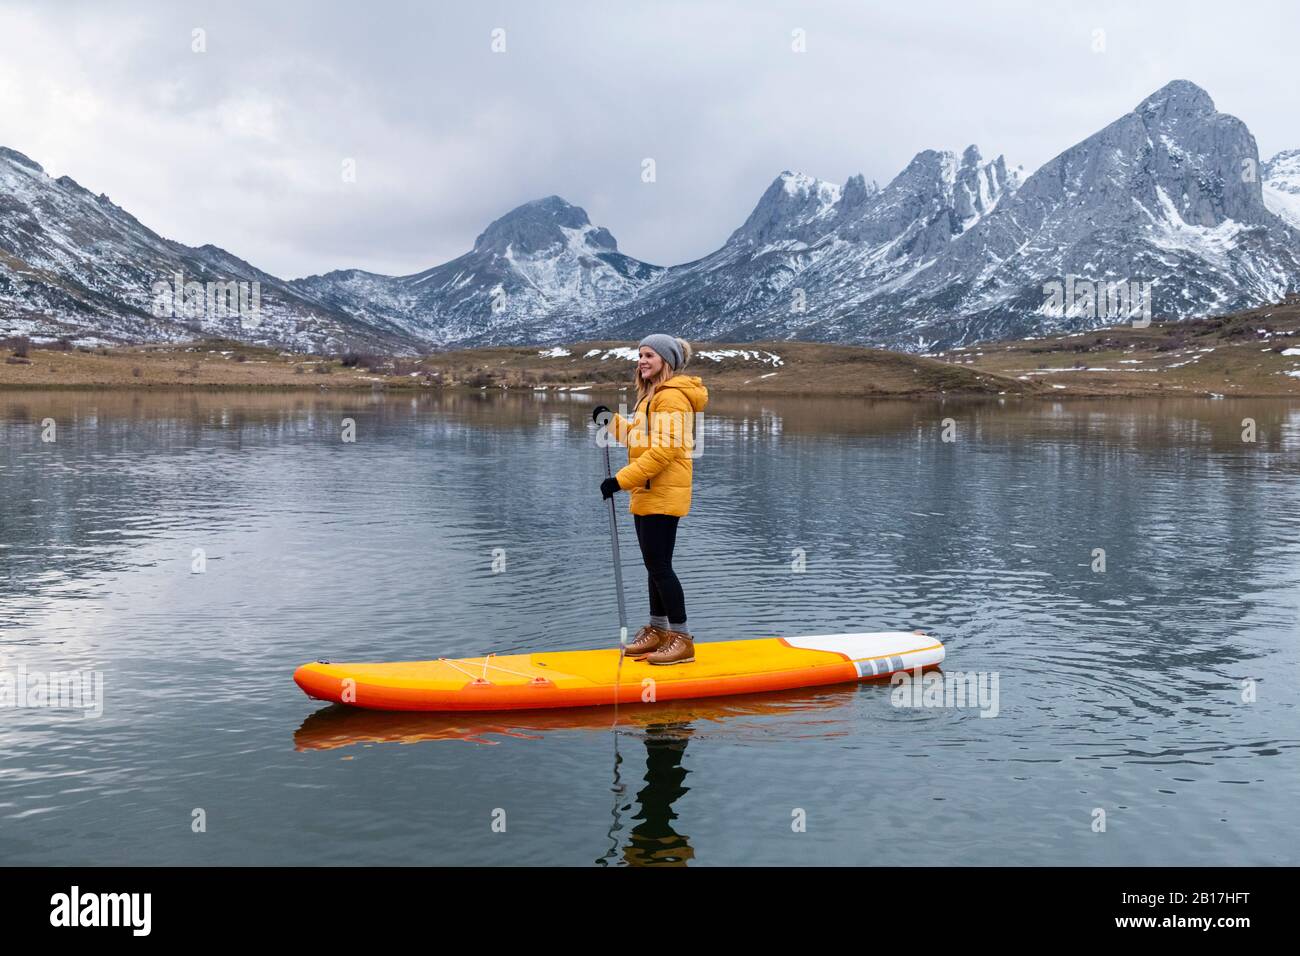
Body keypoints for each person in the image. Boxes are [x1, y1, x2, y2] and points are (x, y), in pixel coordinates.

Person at [592, 334, 708, 665]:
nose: (642, 360)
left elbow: (665, 450)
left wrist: (619, 481)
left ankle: (682, 639)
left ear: (666, 361)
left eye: (650, 355)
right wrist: (612, 421)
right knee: (653, 565)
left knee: (660, 565)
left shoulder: (671, 398)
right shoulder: (651, 396)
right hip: (648, 489)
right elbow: (640, 438)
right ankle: (658, 631)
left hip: (662, 489)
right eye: (640, 354)